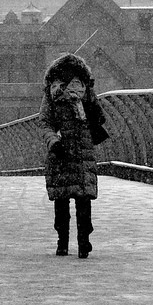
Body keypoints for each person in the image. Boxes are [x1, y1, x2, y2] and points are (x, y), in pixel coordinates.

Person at [34, 53, 103, 258]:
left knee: (62, 198)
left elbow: (45, 122)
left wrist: (53, 141)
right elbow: (99, 117)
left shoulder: (52, 92)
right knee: (83, 198)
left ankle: (62, 243)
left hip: (61, 150)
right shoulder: (85, 89)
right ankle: (83, 242)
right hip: (83, 151)